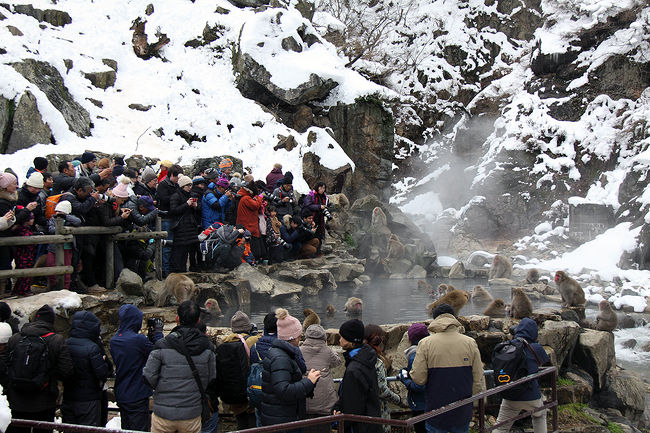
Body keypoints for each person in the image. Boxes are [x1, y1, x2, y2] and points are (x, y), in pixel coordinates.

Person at [410, 304, 485, 433]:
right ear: (454, 318)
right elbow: (478, 377)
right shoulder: (470, 342)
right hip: (462, 408)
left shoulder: (425, 343)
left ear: (435, 319)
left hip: (436, 409)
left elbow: (418, 379)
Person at [144, 301, 216, 433]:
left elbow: (148, 376)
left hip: (163, 414)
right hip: (191, 414)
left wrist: (164, 388)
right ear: (198, 320)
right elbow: (211, 379)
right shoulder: (208, 348)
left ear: (177, 319)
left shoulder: (162, 345)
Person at [5, 305, 74, 433]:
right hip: (44, 399)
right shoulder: (56, 340)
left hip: (17, 398)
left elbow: (5, 366)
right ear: (51, 321)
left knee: (19, 427)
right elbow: (67, 371)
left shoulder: (15, 338)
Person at [260, 308, 320, 427]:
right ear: (293, 337)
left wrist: (309, 381)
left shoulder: (283, 352)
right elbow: (284, 390)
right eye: (299, 335)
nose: (300, 338)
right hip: (283, 420)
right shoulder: (281, 358)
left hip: (283, 416)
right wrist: (308, 382)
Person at [110, 304, 163, 432]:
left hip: (122, 392)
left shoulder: (115, 340)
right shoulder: (138, 340)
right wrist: (157, 335)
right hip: (137, 393)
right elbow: (159, 351)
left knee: (126, 427)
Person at [493, 318, 550, 433]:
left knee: (501, 427)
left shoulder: (507, 346)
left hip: (510, 394)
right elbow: (544, 360)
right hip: (531, 395)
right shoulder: (535, 348)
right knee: (540, 415)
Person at [62, 311, 113, 426]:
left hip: (69, 396)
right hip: (88, 399)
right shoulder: (92, 347)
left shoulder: (65, 344)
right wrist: (104, 362)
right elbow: (102, 373)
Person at [332, 319, 381, 433]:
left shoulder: (354, 369)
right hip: (371, 421)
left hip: (360, 427)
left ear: (351, 341)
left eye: (342, 337)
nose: (339, 340)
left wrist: (338, 421)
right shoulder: (366, 358)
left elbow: (352, 407)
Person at [217, 311, 260, 430]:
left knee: (241, 421)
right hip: (249, 392)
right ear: (248, 327)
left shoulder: (224, 343)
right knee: (252, 422)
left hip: (232, 393)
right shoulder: (253, 341)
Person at [300, 324, 342, 433]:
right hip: (324, 403)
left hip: (305, 401)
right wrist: (328, 348)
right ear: (324, 338)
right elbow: (338, 361)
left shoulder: (299, 351)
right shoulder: (327, 351)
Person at [365, 324, 402, 432]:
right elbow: (382, 390)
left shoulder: (356, 356)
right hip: (378, 410)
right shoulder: (377, 362)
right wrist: (398, 399)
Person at [397, 323, 428, 433]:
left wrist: (404, 378)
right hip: (434, 401)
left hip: (420, 403)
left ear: (410, 339)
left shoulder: (415, 355)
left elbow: (418, 385)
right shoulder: (432, 350)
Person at [46, 201, 81, 290]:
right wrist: (61, 230)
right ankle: (54, 286)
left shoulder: (71, 219)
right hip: (53, 248)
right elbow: (50, 229)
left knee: (66, 269)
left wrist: (65, 217)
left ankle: (65, 288)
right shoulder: (53, 219)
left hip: (67, 248)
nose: (57, 213)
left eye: (60, 212)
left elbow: (78, 222)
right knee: (51, 266)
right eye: (56, 211)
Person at [169, 175, 200, 273]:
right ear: (182, 186)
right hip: (180, 227)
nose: (190, 187)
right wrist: (186, 204)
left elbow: (199, 211)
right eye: (188, 185)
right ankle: (178, 270)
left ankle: (187, 269)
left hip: (190, 226)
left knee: (189, 249)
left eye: (191, 185)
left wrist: (196, 206)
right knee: (180, 250)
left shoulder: (192, 195)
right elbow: (173, 211)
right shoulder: (176, 196)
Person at [156, 164, 182, 275]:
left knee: (173, 245)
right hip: (165, 217)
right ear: (172, 175)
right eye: (177, 177)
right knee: (166, 245)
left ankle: (171, 268)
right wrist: (176, 196)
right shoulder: (163, 185)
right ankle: (164, 270)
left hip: (174, 217)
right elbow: (163, 199)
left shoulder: (176, 185)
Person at [11, 210, 36, 296]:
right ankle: (23, 291)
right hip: (23, 255)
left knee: (26, 274)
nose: (33, 220)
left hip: (28, 254)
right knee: (24, 274)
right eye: (31, 219)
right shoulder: (21, 230)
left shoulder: (27, 229)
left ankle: (21, 290)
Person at [236, 182, 264, 261]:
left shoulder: (245, 197)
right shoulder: (246, 198)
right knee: (252, 247)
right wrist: (259, 198)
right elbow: (255, 205)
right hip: (248, 226)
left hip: (249, 224)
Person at [0, 173, 17, 294]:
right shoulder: (2, 202)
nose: (16, 186)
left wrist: (10, 219)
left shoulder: (9, 200)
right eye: (14, 184)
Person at [301, 181, 328, 250]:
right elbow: (308, 205)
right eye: (321, 188)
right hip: (311, 218)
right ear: (317, 187)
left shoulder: (324, 197)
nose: (322, 190)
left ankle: (318, 252)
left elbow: (325, 205)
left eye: (324, 188)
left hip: (320, 219)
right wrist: (319, 207)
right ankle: (311, 251)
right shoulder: (311, 195)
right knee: (312, 235)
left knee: (319, 235)